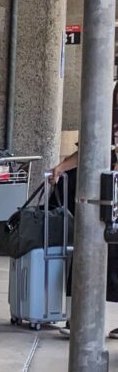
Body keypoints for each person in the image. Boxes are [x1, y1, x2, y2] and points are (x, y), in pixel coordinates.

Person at [48, 82, 118, 339]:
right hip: (103, 196)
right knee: (88, 250)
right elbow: (87, 149)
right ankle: (78, 316)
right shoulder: (104, 117)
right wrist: (62, 167)